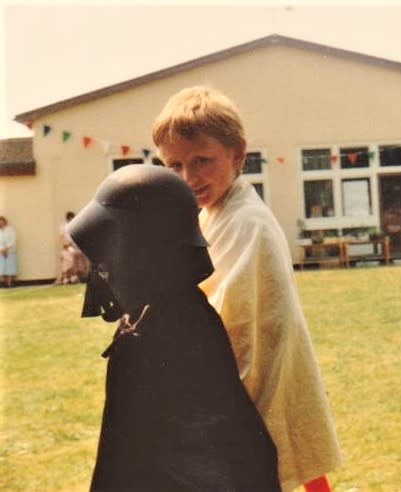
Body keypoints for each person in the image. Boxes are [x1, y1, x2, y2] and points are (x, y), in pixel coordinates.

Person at [153, 86, 342, 492]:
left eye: (201, 160)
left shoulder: (246, 222)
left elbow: (232, 323)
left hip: (254, 385)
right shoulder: (212, 214)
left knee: (273, 467)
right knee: (294, 466)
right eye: (174, 166)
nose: (188, 178)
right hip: (243, 385)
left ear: (237, 154)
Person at [68, 164, 281, 492]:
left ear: (143, 250)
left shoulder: (175, 326)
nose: (104, 269)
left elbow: (203, 460)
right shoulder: (153, 315)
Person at [0, 216, 17, 287]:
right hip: (1, 251)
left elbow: (13, 240)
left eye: (2, 221)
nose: (1, 223)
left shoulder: (10, 229)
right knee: (2, 268)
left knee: (10, 267)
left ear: (5, 222)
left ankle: (9, 283)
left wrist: (6, 248)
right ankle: (5, 283)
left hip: (10, 251)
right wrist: (2, 249)